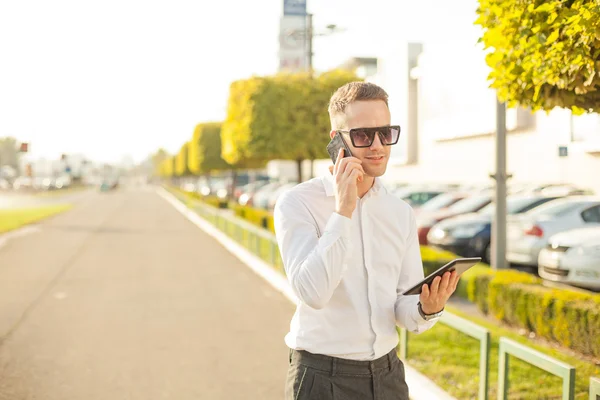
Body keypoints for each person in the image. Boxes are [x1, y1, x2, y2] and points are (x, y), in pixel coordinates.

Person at [273, 81, 460, 400]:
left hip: (388, 376)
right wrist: (343, 210)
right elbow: (313, 294)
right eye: (363, 135)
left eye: (385, 133)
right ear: (337, 140)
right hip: (321, 378)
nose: (378, 145)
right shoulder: (297, 203)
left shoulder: (399, 212)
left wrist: (428, 308)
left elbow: (403, 308)